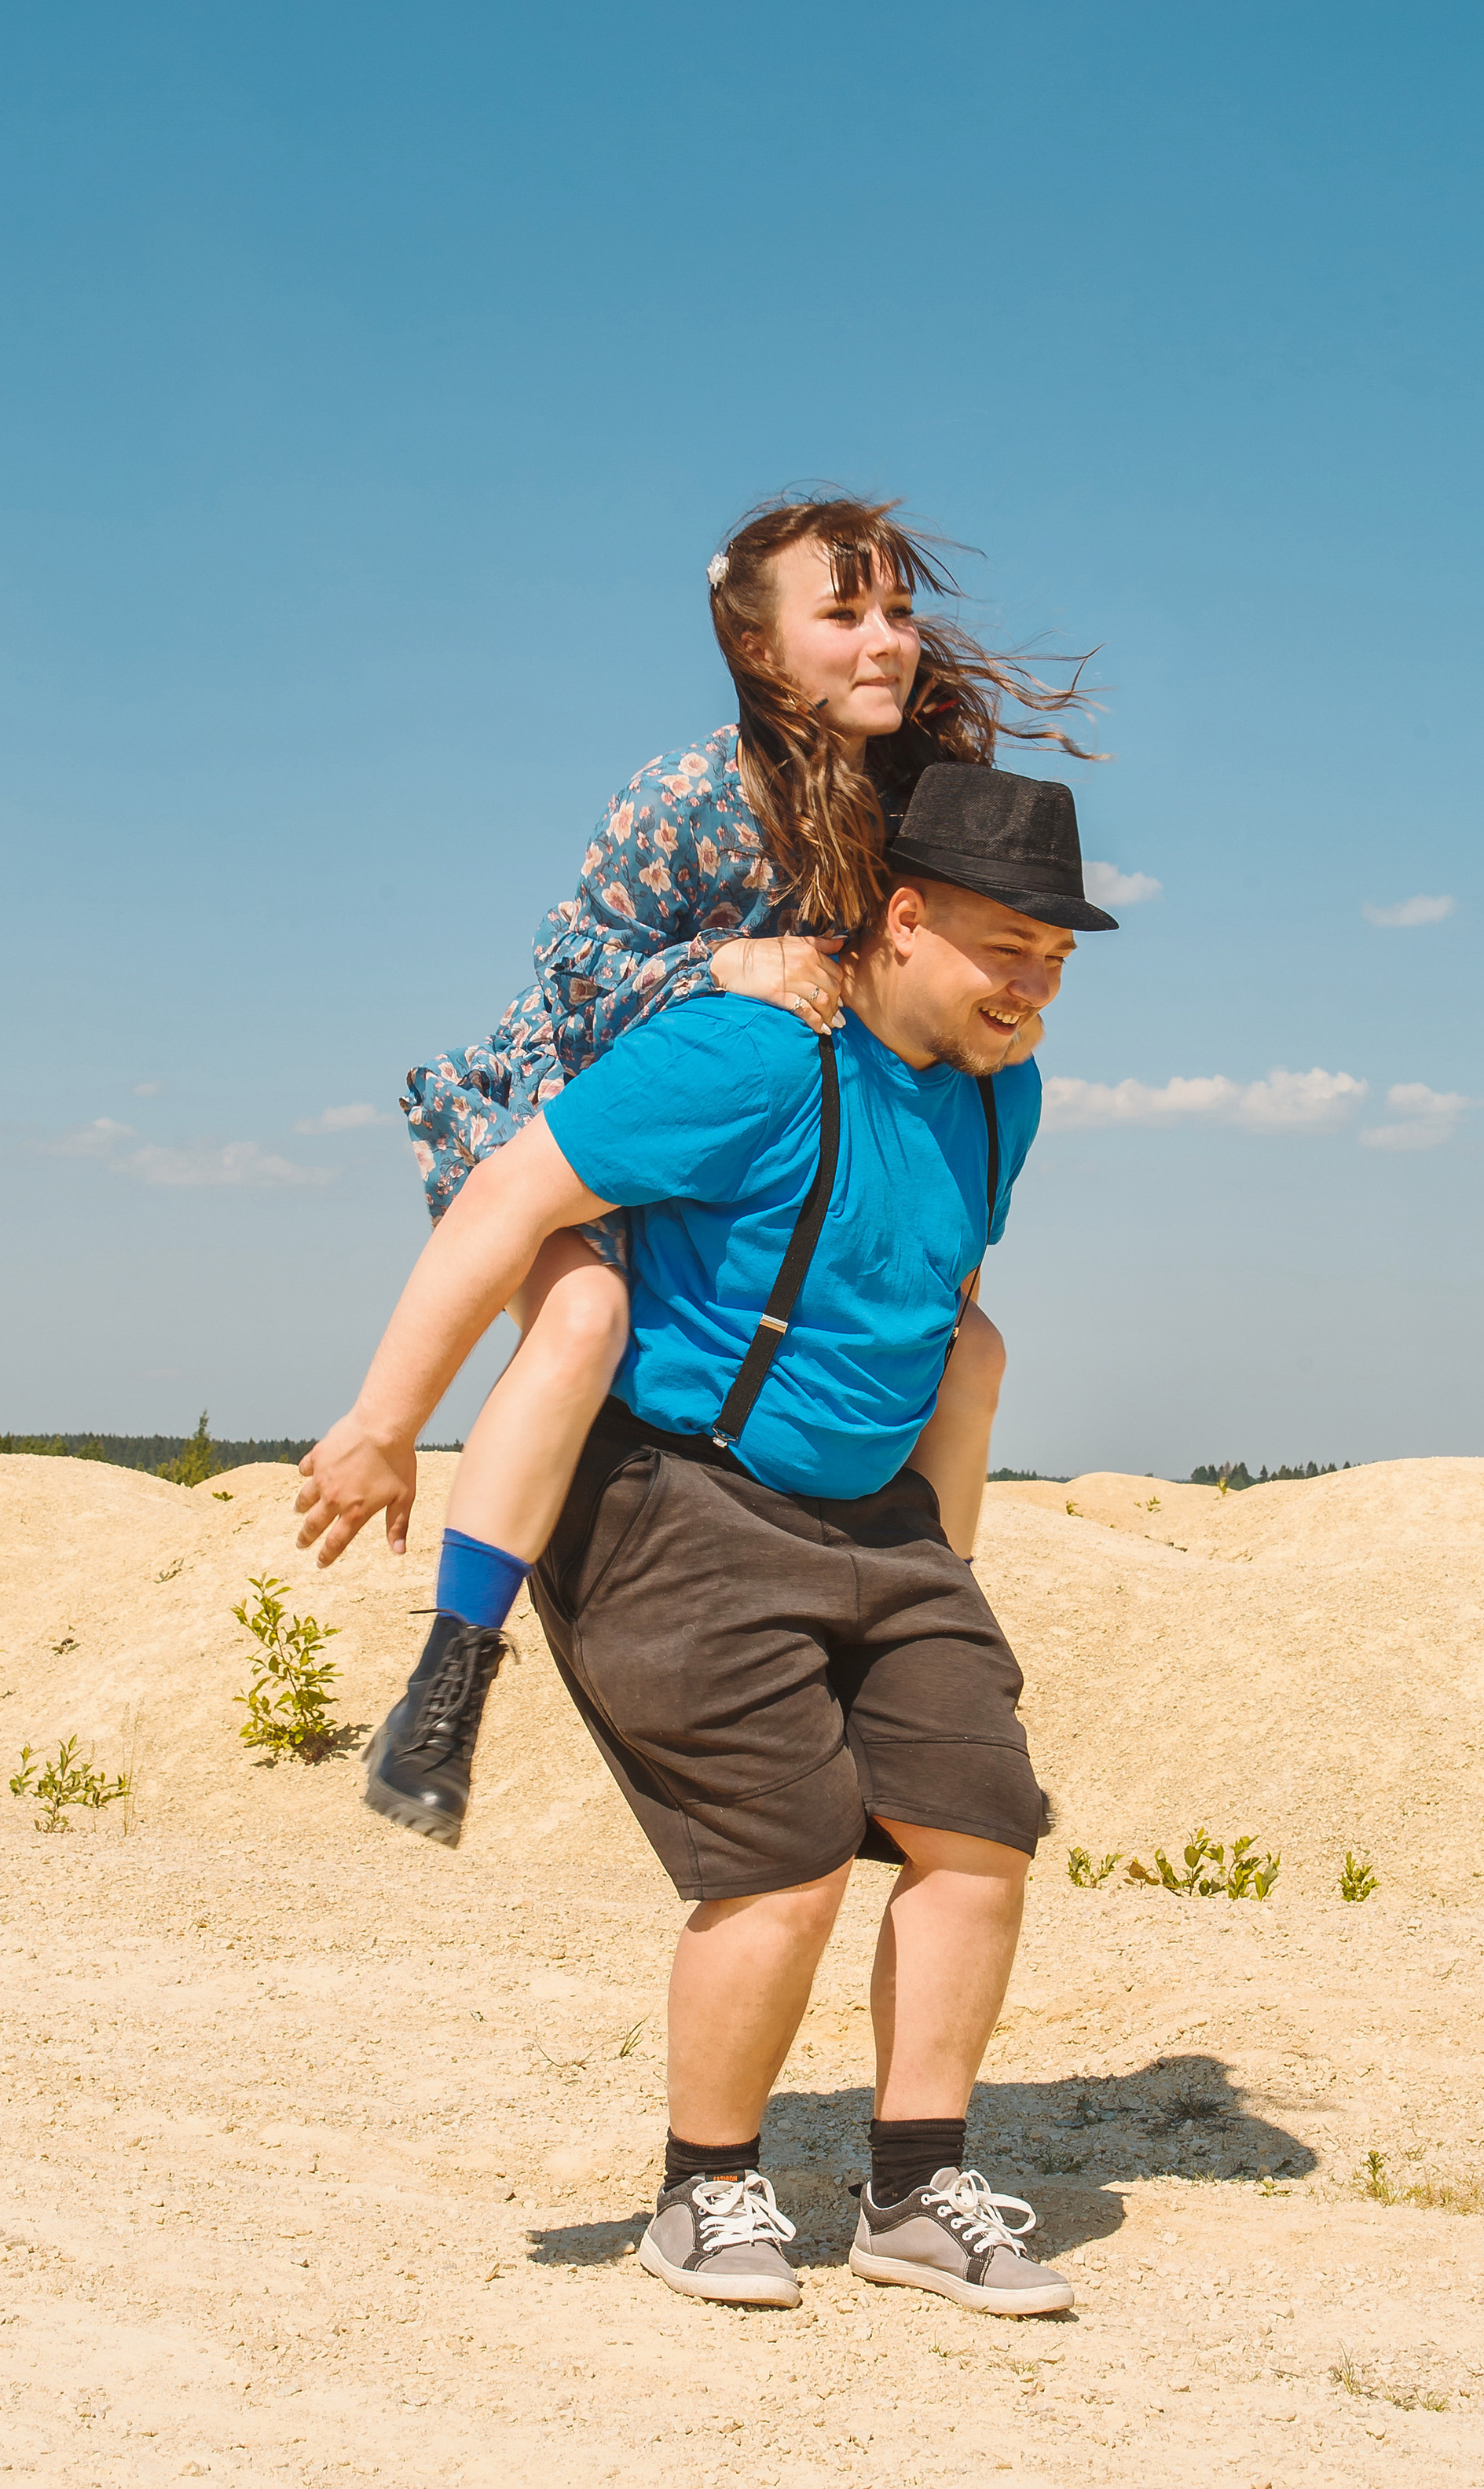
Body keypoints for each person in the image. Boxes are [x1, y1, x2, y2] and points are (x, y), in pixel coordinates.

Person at [296, 764, 1119, 2314]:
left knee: (977, 1827)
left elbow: (926, 1315)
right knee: (786, 1856)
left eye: (1057, 958)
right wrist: (381, 1420)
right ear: (898, 914)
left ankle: (913, 2192)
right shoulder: (741, 1056)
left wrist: (934, 1599)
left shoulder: (1003, 1094)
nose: (1033, 984)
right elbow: (503, 1202)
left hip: (879, 1515)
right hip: (674, 1489)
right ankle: (704, 2189)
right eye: (1006, 944)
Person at [365, 496, 1093, 1849]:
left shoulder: (920, 775)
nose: (886, 640)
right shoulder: (694, 790)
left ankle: (920, 1637)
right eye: (844, 614)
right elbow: (570, 970)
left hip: (764, 1131)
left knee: (966, 1348)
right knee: (585, 1317)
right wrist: (723, 964)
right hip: (594, 1097)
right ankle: (454, 1662)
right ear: (761, 652)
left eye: (896, 611)